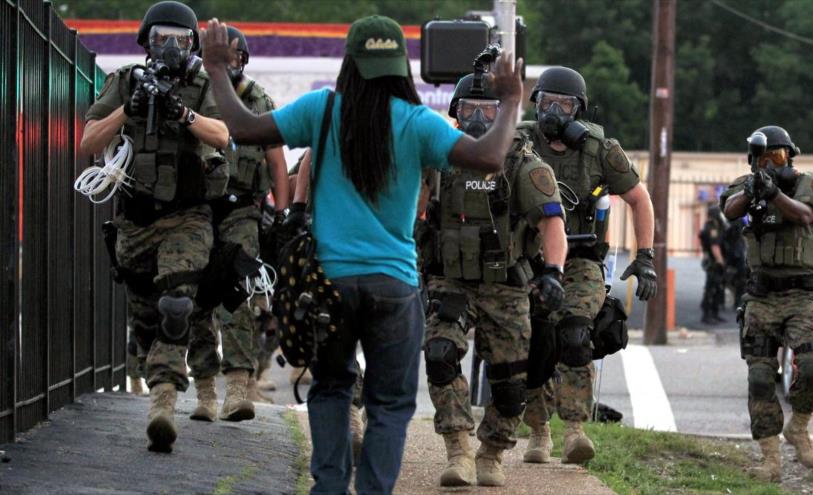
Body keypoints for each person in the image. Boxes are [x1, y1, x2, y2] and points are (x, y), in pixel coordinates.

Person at [200, 15, 524, 494]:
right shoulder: (418, 124)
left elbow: (244, 128)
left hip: (327, 286)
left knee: (330, 388)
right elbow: (490, 157)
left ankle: (329, 487)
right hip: (393, 286)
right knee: (390, 403)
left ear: (349, 63)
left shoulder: (322, 110)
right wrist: (512, 100)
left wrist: (216, 71)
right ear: (401, 68)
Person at [79, 0, 229, 453]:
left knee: (177, 305)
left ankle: (163, 405)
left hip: (187, 215)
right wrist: (129, 108)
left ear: (193, 45)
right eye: (161, 38)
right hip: (137, 220)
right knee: (145, 323)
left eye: (180, 40)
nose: (170, 47)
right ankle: (158, 387)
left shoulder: (203, 85)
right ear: (147, 41)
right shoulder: (124, 81)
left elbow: (223, 135)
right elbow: (88, 141)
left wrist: (181, 114)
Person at [422, 74, 567, 487]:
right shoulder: (438, 159)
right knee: (439, 353)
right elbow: (413, 206)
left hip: (505, 285)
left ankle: (491, 453)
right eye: (470, 109)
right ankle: (458, 449)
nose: (480, 118)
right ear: (455, 112)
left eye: (490, 110)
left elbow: (552, 224)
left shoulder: (523, 163)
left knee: (509, 382)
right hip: (452, 281)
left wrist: (554, 272)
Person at [517, 66, 658, 465]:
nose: (555, 113)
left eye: (565, 105)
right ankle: (539, 430)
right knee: (531, 340)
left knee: (576, 333)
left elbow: (639, 200)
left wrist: (644, 258)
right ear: (536, 104)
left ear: (579, 110)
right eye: (547, 103)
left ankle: (575, 431)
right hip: (530, 259)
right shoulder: (520, 142)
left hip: (581, 260)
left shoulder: (599, 149)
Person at [186, 25, 289, 423]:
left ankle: (239, 388)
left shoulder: (258, 101)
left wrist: (281, 215)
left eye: (233, 55)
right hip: (195, 211)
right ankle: (206, 388)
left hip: (242, 210)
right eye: (219, 54)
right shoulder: (194, 94)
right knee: (194, 298)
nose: (228, 62)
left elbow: (277, 163)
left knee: (239, 297)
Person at [720, 125, 813, 482]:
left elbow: (804, 215)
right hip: (762, 295)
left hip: (803, 295)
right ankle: (769, 459)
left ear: (790, 158)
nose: (769, 165)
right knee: (760, 378)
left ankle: (799, 426)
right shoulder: (746, 184)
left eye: (777, 158)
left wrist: (774, 194)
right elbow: (730, 210)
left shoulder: (810, 185)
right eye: (762, 159)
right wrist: (755, 190)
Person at [699, 204, 727, 324]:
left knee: (716, 287)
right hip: (714, 262)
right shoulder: (713, 227)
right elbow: (714, 246)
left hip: (710, 260)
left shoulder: (708, 225)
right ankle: (707, 315)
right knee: (711, 288)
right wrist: (720, 261)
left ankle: (714, 314)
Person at [723, 217, 748, 309]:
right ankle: (737, 302)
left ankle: (737, 302)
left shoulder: (731, 221)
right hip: (735, 253)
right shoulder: (735, 221)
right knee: (739, 279)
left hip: (734, 252)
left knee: (738, 279)